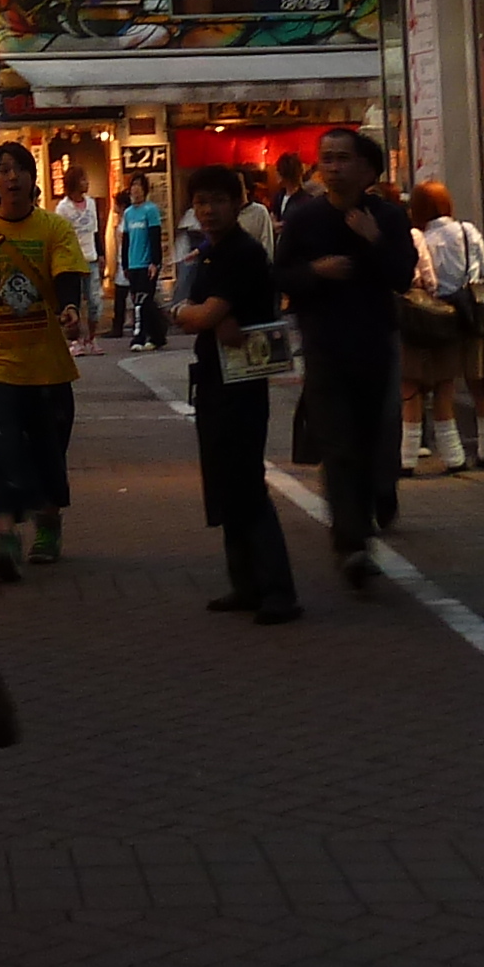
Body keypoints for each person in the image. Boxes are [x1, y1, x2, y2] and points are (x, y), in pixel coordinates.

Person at [274, 126, 417, 592]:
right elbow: (283, 274)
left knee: (377, 439)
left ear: (366, 169)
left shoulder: (389, 218)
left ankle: (379, 494)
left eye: (342, 158)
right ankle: (351, 544)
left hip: (376, 343)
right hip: (324, 347)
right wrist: (315, 271)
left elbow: (401, 276)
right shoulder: (305, 219)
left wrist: (375, 239)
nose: (332, 167)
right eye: (326, 158)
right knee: (337, 444)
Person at [0, 141, 89, 581]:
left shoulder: (54, 228)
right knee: (3, 451)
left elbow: (67, 274)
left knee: (49, 451)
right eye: (3, 171)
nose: (12, 177)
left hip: (48, 366)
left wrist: (69, 308)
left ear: (32, 178)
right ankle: (6, 535)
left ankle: (48, 527)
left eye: (19, 169)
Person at [173, 165, 297, 623]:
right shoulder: (211, 253)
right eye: (201, 201)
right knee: (227, 483)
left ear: (237, 203)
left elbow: (204, 314)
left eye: (217, 201)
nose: (207, 210)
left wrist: (192, 313)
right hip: (215, 381)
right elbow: (195, 312)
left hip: (241, 387)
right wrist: (194, 313)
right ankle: (245, 584)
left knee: (245, 485)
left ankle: (278, 590)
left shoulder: (240, 253)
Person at [403, 178, 484, 472]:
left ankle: (447, 454)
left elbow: (421, 279)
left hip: (436, 320)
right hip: (472, 314)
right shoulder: (467, 231)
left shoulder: (419, 238)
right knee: (480, 385)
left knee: (439, 388)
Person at [117, 176, 169, 349]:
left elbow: (155, 237)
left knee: (143, 301)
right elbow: (126, 240)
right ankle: (157, 336)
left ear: (145, 189)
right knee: (140, 301)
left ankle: (140, 336)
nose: (136, 189)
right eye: (133, 185)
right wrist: (125, 264)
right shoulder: (128, 213)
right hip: (133, 264)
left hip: (147, 264)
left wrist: (155, 262)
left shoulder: (150, 210)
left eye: (139, 185)